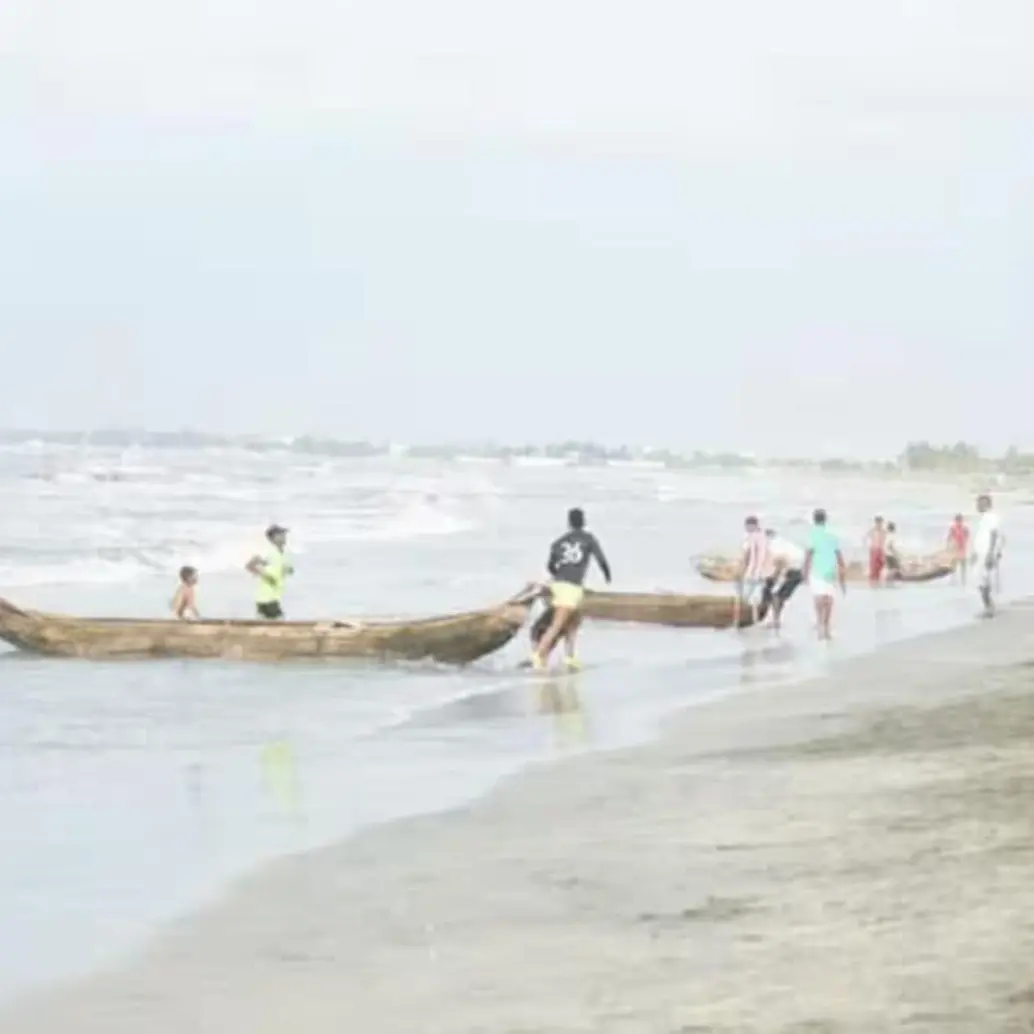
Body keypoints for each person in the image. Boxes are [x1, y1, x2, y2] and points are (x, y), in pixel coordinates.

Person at [531, 508, 611, 671]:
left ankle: (570, 657)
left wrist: (558, 576)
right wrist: (607, 575)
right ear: (583, 521)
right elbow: (601, 559)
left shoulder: (559, 542)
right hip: (571, 587)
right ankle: (538, 656)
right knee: (558, 624)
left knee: (573, 622)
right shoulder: (589, 539)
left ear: (569, 522)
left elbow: (550, 566)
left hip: (563, 585)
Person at [802, 508, 847, 640]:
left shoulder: (812, 535)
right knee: (828, 598)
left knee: (818, 598)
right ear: (825, 519)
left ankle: (819, 621)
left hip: (817, 570)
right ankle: (826, 625)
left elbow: (808, 554)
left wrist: (804, 571)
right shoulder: (831, 535)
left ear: (814, 520)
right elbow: (839, 554)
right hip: (830, 569)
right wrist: (842, 568)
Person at [246, 524, 294, 620]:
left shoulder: (283, 553)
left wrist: (287, 570)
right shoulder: (267, 552)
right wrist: (264, 574)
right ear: (274, 538)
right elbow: (250, 565)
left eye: (284, 534)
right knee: (279, 622)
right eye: (281, 535)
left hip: (274, 597)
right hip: (266, 598)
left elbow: (283, 568)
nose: (284, 537)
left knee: (268, 624)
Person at [761, 528, 805, 630]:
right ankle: (775, 619)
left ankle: (774, 621)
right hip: (798, 572)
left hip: (791, 571)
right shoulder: (783, 542)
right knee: (779, 597)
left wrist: (775, 577)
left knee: (775, 595)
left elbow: (781, 561)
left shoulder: (773, 546)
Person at [737, 515, 773, 622]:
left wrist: (753, 572)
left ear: (754, 525)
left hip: (757, 572)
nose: (747, 529)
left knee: (749, 597)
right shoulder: (759, 536)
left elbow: (757, 557)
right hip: (761, 572)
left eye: (748, 526)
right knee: (754, 597)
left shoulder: (755, 537)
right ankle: (754, 619)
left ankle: (750, 619)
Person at [971, 494, 1001, 617]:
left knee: (983, 581)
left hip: (986, 554)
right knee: (980, 581)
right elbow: (980, 537)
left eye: (979, 503)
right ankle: (989, 606)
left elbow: (994, 535)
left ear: (986, 504)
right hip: (981, 553)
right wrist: (974, 553)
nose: (977, 506)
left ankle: (989, 607)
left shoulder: (991, 517)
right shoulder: (983, 518)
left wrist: (991, 554)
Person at [945, 513, 970, 585]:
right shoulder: (953, 528)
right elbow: (949, 538)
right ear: (955, 521)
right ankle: (952, 580)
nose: (959, 522)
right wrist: (948, 547)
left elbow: (967, 538)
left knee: (963, 567)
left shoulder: (965, 528)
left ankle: (963, 581)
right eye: (957, 520)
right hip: (955, 550)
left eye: (960, 520)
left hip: (962, 550)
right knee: (953, 566)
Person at [864, 516, 887, 586]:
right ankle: (872, 580)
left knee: (880, 566)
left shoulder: (883, 531)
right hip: (874, 550)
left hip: (880, 550)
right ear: (876, 522)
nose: (879, 524)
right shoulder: (873, 530)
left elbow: (884, 540)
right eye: (878, 522)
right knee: (873, 567)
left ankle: (878, 580)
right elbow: (865, 538)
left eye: (880, 522)